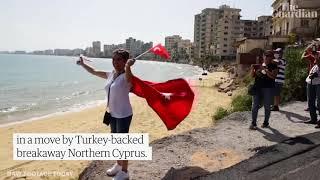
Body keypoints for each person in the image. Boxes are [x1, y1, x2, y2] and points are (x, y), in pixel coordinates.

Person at [77, 49, 135, 180]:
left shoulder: (127, 75)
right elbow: (94, 71)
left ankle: (125, 172)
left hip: (124, 114)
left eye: (119, 59)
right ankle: (119, 165)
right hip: (113, 114)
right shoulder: (111, 74)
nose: (115, 62)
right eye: (114, 59)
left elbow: (129, 78)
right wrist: (83, 64)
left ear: (125, 61)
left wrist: (128, 67)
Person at [250, 50, 278, 130]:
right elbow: (252, 76)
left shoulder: (274, 66)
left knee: (267, 106)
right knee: (254, 106)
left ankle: (266, 122)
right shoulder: (258, 65)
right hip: (257, 87)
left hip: (268, 88)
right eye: (266, 56)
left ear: (271, 57)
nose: (267, 57)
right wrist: (252, 69)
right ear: (263, 56)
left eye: (269, 56)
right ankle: (253, 123)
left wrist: (265, 70)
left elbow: (273, 77)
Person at [305, 52, 320, 128]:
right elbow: (304, 57)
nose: (316, 57)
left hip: (318, 83)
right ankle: (313, 119)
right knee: (310, 101)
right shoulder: (315, 65)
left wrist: (316, 75)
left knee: (319, 102)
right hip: (310, 83)